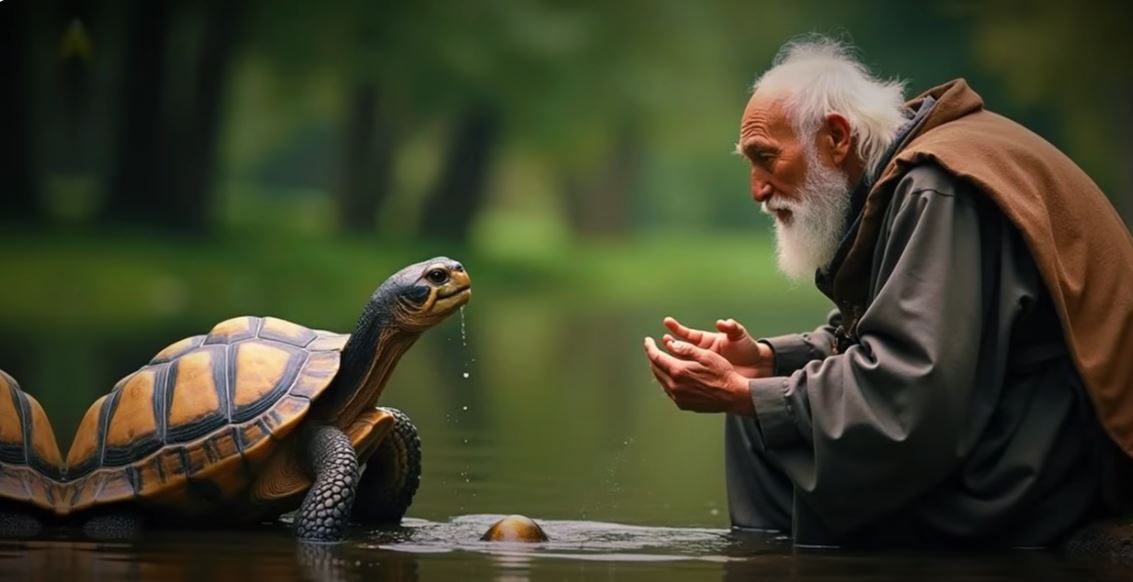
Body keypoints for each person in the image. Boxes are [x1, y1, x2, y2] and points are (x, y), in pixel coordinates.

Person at [642, 36, 1133, 548]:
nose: (757, 189)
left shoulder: (936, 187)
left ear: (836, 136)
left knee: (761, 420)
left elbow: (914, 388)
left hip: (1035, 467)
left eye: (766, 158)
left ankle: (776, 564)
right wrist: (766, 361)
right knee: (759, 415)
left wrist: (747, 395)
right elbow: (892, 329)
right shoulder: (921, 168)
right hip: (1015, 431)